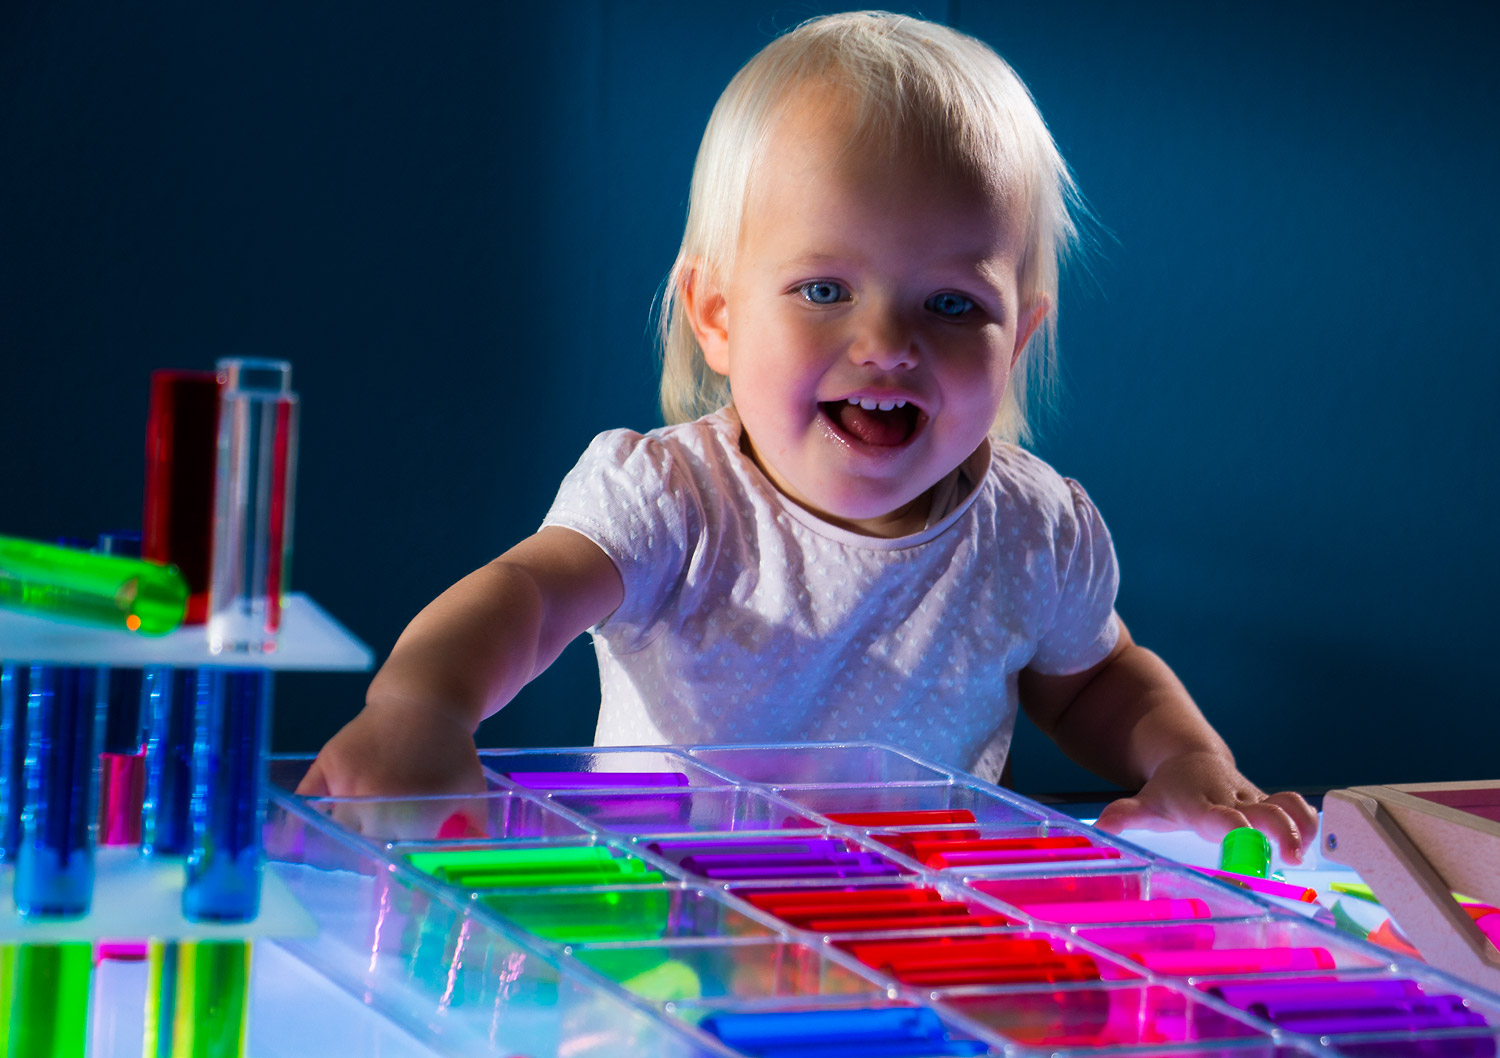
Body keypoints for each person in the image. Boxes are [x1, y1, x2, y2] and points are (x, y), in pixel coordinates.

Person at [299, 11, 1316, 860]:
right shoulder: (669, 500)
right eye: (824, 288)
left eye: (953, 305)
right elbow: (525, 598)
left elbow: (1095, 678)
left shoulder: (1034, 529)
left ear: (1021, 340)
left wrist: (1189, 762)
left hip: (912, 949)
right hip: (664, 932)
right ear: (718, 314)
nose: (887, 342)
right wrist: (421, 706)